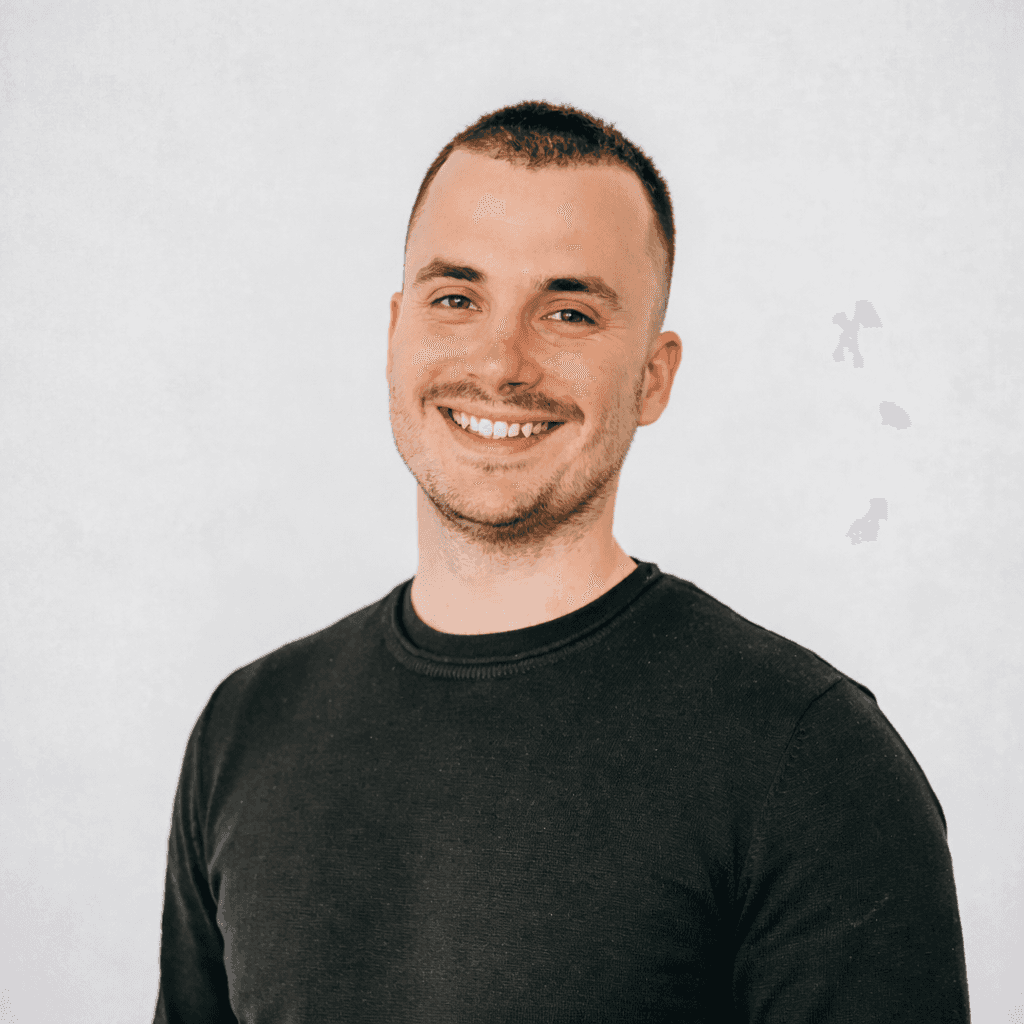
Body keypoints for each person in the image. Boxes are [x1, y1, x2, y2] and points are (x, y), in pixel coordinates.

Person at [153, 101, 970, 1022]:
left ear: (653, 377)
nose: (502, 363)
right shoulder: (248, 728)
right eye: (456, 298)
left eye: (570, 311)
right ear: (396, 330)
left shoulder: (811, 760)